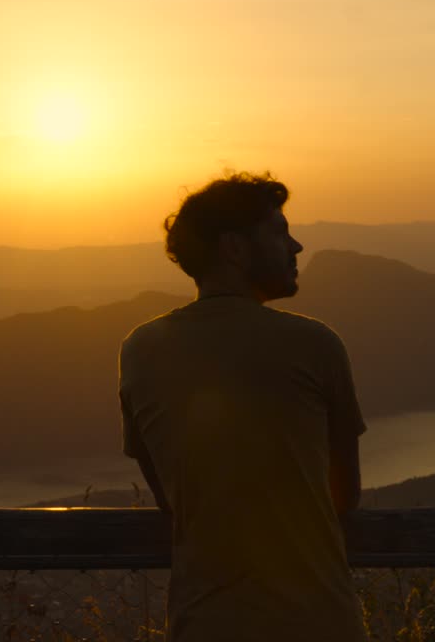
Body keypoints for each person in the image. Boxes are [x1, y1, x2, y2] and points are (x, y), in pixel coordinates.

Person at [118, 171, 368, 642]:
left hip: (202, 623)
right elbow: (343, 496)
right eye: (280, 233)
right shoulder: (314, 344)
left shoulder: (140, 349)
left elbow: (169, 496)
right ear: (234, 248)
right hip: (316, 623)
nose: (295, 247)